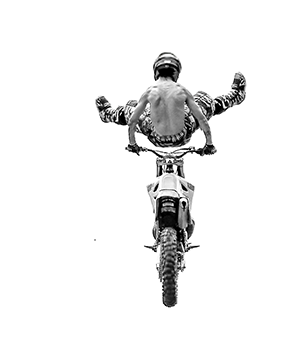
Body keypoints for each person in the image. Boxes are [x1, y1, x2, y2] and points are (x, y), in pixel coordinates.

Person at [95, 53, 246, 243]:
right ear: (176, 73)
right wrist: (209, 144)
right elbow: (202, 120)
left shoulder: (150, 92)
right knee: (205, 100)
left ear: (155, 71)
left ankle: (106, 113)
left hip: (155, 138)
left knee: (130, 108)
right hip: (182, 135)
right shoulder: (181, 90)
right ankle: (237, 95)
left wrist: (133, 144)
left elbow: (133, 121)